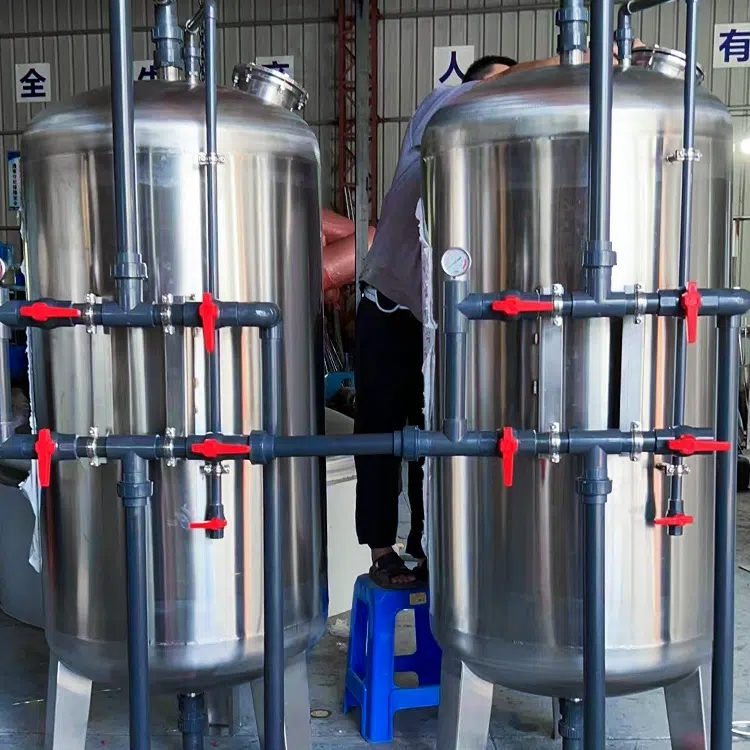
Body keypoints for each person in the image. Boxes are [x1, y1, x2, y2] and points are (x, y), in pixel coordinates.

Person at [354, 55, 519, 589]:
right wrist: (580, 63)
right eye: (499, 87)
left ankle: (428, 547)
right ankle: (382, 550)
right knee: (380, 431)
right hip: (390, 307)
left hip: (444, 318)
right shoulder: (441, 111)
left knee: (441, 431)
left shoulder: (488, 158)